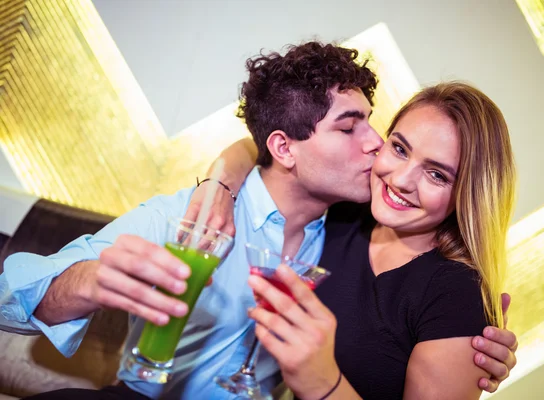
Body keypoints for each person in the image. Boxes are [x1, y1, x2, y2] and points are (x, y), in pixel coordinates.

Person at [0, 42, 516, 400]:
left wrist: (468, 354)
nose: (380, 149)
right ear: (283, 147)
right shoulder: (192, 218)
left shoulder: (359, 225)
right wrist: (91, 280)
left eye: (437, 173)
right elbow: (10, 299)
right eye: (352, 127)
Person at [184, 82, 518, 399]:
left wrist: (323, 383)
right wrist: (219, 184)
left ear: (470, 195)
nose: (401, 180)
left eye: (436, 174)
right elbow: (271, 143)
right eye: (400, 149)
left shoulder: (456, 294)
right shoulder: (350, 204)